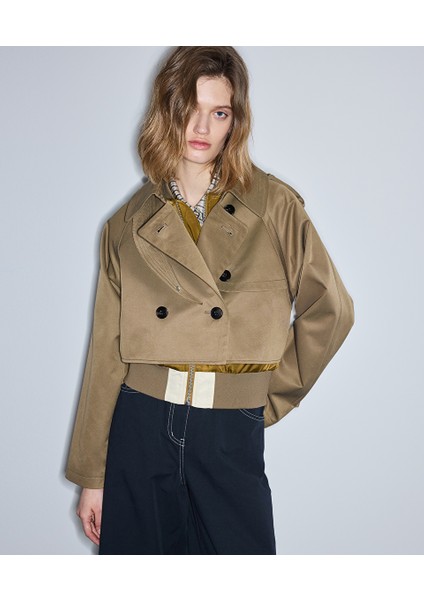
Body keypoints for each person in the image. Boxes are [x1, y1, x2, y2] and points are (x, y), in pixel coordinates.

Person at [65, 46, 355, 555]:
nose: (201, 127)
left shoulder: (274, 205)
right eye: (190, 109)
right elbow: (106, 353)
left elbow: (332, 310)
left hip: (227, 428)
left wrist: (265, 397)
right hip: (141, 423)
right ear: (167, 111)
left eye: (219, 113)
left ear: (234, 121)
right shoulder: (126, 224)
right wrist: (93, 474)